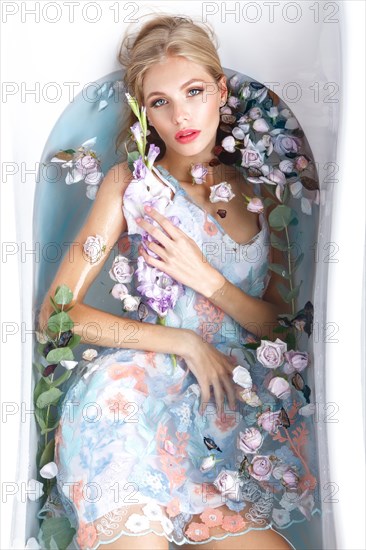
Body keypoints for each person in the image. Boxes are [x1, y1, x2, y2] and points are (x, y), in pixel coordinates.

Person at [38, 14, 315, 550]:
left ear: (219, 91)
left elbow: (279, 331)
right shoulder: (130, 185)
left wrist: (208, 280)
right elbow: (57, 313)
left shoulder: (266, 195)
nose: (181, 115)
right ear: (144, 112)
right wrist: (183, 340)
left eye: (193, 92)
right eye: (160, 101)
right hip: (133, 401)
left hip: (230, 406)